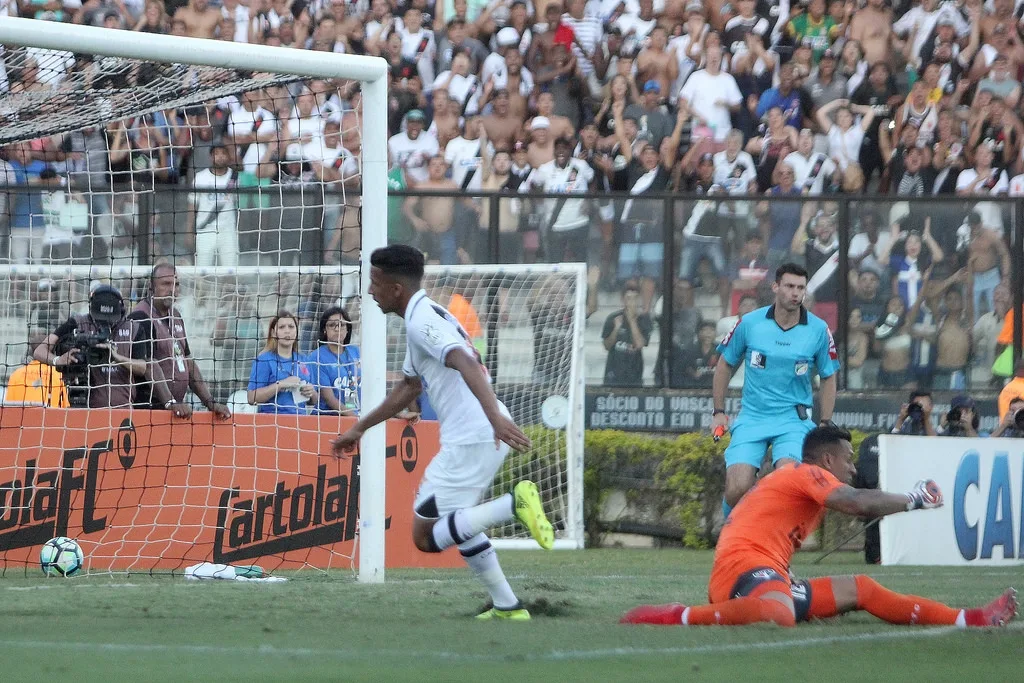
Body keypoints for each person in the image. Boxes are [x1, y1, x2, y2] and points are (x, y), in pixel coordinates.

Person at [328, 245, 553, 620]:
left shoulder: (421, 323)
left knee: (425, 537)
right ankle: (507, 606)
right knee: (458, 523)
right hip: (479, 432)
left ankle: (512, 505)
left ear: (395, 288)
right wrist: (360, 428)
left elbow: (463, 361)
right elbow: (409, 388)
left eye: (374, 282)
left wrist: (493, 418)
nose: (370, 291)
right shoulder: (428, 313)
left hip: (474, 436)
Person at [621, 425, 1018, 628]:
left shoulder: (799, 478)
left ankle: (971, 618)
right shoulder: (803, 472)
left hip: (762, 569)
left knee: (862, 588)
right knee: (780, 615)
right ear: (826, 461)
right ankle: (679, 615)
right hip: (740, 569)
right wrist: (912, 499)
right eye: (847, 459)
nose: (851, 467)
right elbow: (856, 503)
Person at [711, 263, 840, 517]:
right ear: (775, 287)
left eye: (800, 288)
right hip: (753, 417)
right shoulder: (750, 323)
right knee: (737, 488)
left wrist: (825, 422)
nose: (795, 293)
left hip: (794, 420)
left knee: (786, 484)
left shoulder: (818, 330)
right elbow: (724, 365)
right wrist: (718, 411)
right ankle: (730, 537)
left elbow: (829, 376)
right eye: (790, 286)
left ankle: (772, 546)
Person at [130, 263, 231, 419]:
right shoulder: (140, 317)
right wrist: (170, 402)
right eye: (166, 284)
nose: (172, 289)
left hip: (176, 408)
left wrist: (210, 402)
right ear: (151, 287)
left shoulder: (176, 315)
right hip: (149, 410)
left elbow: (187, 362)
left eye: (176, 284)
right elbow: (148, 366)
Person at [32, 285, 150, 409]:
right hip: (83, 404)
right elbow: (39, 351)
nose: (105, 323)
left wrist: (117, 358)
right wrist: (58, 360)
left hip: (122, 408)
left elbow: (143, 367)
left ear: (121, 310)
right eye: (100, 318)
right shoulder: (77, 323)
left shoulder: (133, 328)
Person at [246, 311, 317, 414]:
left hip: (300, 422)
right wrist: (281, 385)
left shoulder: (304, 360)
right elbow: (251, 398)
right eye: (282, 327)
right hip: (272, 421)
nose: (287, 331)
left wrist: (311, 392)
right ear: (273, 332)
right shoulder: (264, 360)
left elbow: (314, 400)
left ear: (297, 331)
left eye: (291, 327)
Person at [310, 306, 361, 416]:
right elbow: (328, 398)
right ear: (324, 329)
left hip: (356, 415)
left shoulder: (356, 352)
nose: (337, 329)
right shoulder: (317, 357)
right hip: (328, 419)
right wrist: (355, 418)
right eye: (332, 325)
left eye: (342, 325)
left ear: (348, 329)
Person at [602, 281, 653, 387]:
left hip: (634, 377)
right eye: (629, 298)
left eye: (635, 298)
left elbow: (639, 344)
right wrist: (616, 328)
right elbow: (606, 346)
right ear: (623, 300)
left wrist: (632, 320)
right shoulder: (613, 318)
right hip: (613, 377)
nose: (632, 302)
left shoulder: (644, 320)